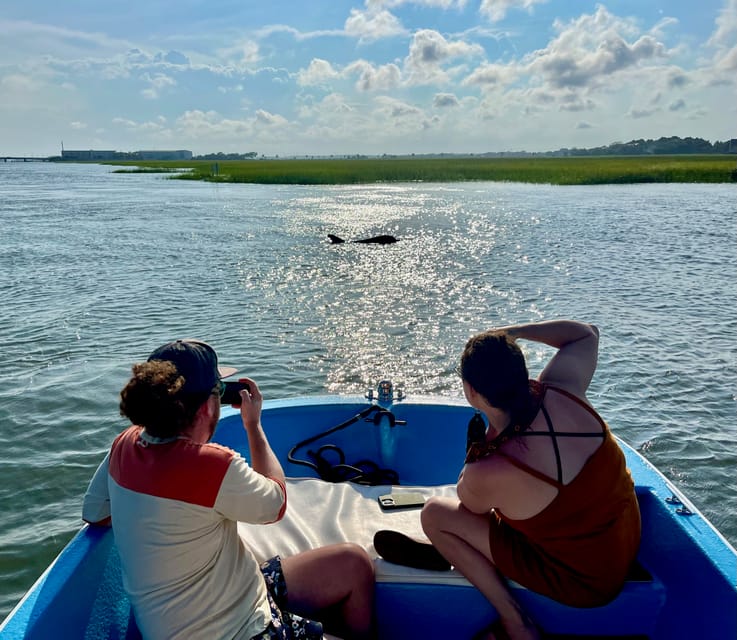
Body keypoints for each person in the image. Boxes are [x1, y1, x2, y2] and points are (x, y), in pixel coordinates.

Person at [82, 339, 375, 640]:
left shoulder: (123, 446)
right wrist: (253, 426)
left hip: (239, 597)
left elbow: (95, 513)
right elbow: (276, 503)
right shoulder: (212, 466)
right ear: (209, 405)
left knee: (352, 564)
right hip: (242, 630)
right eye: (219, 391)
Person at [376, 320, 641, 640]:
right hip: (625, 541)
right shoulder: (562, 387)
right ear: (520, 368)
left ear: (472, 392)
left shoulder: (491, 469)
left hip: (585, 583)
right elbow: (587, 333)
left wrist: (479, 452)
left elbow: (469, 504)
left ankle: (515, 620)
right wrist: (510, 333)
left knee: (435, 514)